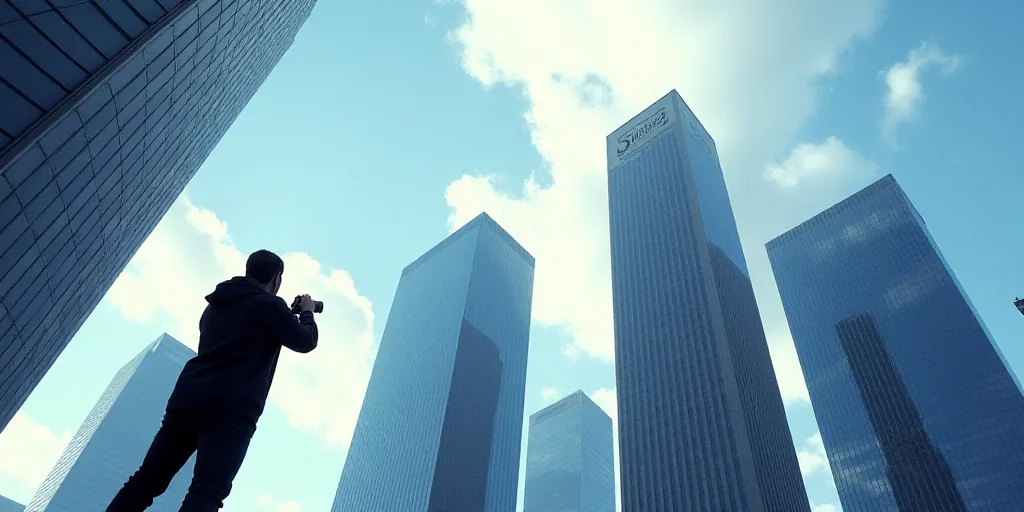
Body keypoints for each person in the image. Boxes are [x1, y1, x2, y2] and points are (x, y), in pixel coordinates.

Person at [106, 250, 319, 511]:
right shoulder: (270, 306)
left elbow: (245, 328)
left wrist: (284, 311)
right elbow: (305, 341)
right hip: (231, 412)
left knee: (146, 480)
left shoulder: (215, 306)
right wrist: (307, 313)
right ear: (276, 278)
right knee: (207, 492)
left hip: (188, 400)